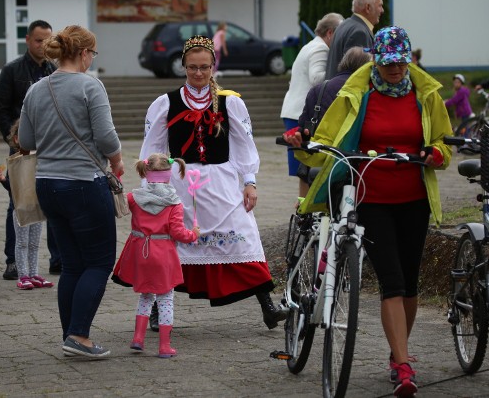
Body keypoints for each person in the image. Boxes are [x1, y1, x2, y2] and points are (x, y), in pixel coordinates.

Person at [285, 26, 453, 397]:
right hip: (371, 197)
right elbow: (324, 143)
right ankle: (405, 365)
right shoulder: (355, 93)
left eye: (401, 63)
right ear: (376, 58)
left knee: (409, 283)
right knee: (391, 280)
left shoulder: (425, 96)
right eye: (388, 63)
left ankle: (398, 356)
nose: (395, 70)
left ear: (409, 60)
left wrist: (436, 154)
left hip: (415, 199)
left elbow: (443, 142)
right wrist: (302, 144)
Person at [140, 35, 288, 331]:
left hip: (221, 182)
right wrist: (152, 186)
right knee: (169, 245)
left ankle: (267, 307)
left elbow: (244, 145)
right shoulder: (165, 103)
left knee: (245, 235)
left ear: (213, 67)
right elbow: (153, 149)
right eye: (192, 67)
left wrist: (249, 182)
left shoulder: (230, 102)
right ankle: (157, 308)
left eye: (204, 67)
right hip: (180, 183)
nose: (198, 73)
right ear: (183, 66)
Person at [18, 24, 123, 359]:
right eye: (92, 53)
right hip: (83, 183)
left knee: (73, 264)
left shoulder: (36, 89)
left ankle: (71, 335)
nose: (92, 59)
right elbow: (106, 138)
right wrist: (117, 161)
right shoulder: (90, 86)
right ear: (83, 53)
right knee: (100, 261)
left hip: (47, 184)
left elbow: (26, 142)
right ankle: (78, 336)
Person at [112, 153, 200, 358]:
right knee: (166, 299)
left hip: (140, 253)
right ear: (169, 176)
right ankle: (164, 346)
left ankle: (138, 339)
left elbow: (122, 206)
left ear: (146, 173)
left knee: (146, 296)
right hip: (163, 254)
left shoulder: (134, 198)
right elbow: (178, 233)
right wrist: (192, 234)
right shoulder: (174, 203)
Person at [0, 20, 59, 280]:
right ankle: (13, 261)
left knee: (53, 201)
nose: (43, 45)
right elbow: (0, 107)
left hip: (49, 149)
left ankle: (58, 258)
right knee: (18, 203)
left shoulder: (54, 69)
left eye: (48, 40)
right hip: (21, 147)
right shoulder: (12, 70)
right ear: (28, 40)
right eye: (38, 40)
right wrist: (14, 141)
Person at [280, 12, 343, 196]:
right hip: (303, 114)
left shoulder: (310, 45)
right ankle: (307, 207)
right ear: (330, 33)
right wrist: (339, 74)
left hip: (293, 110)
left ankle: (303, 206)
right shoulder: (320, 49)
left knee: (304, 168)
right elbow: (316, 78)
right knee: (307, 165)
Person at [295, 46, 372, 196]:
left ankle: (304, 211)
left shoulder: (319, 88)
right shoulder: (366, 91)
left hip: (321, 155)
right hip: (353, 159)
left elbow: (304, 123)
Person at [0, 119, 53, 291]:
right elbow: (13, 189)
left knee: (34, 243)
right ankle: (23, 275)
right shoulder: (15, 162)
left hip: (37, 208)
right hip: (20, 209)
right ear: (16, 140)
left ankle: (34, 273)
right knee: (22, 243)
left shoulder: (38, 159)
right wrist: (3, 180)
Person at [324, 0, 384, 79]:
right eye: (380, 6)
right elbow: (357, 75)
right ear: (368, 8)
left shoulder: (344, 25)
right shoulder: (360, 32)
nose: (382, 10)